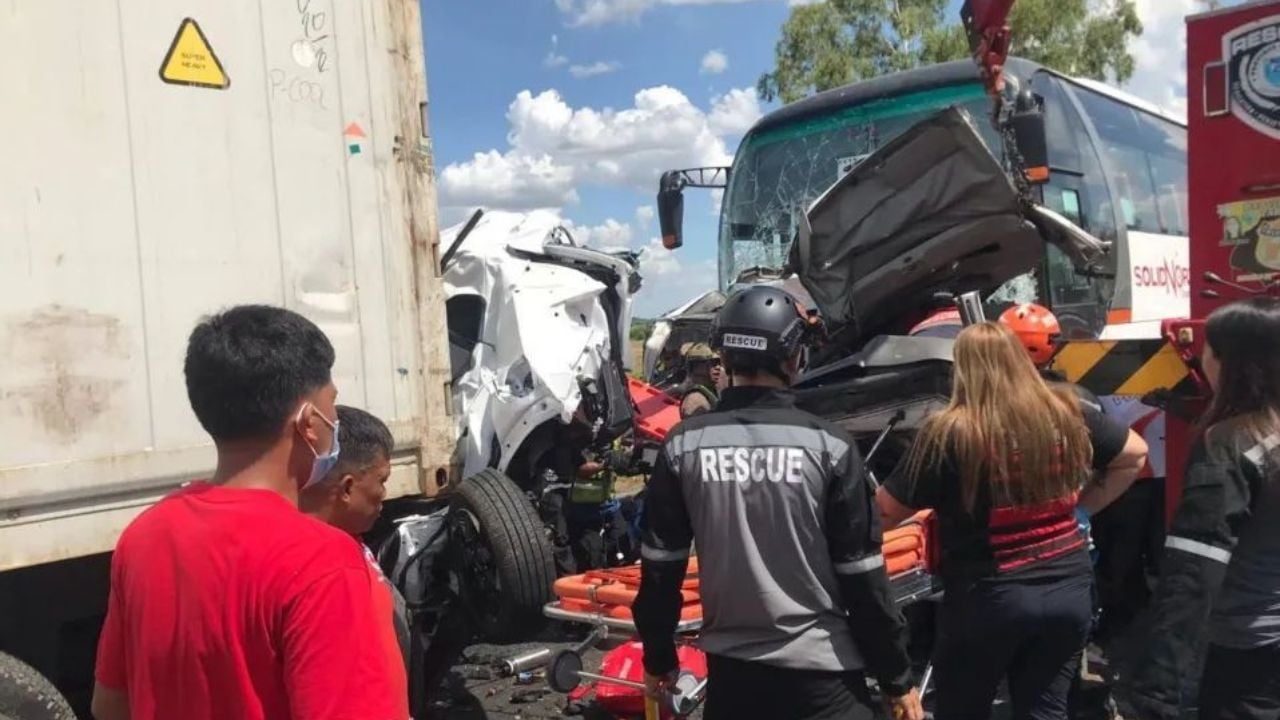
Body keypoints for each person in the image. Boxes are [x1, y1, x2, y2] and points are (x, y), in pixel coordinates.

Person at [91, 305, 399, 720]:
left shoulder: (145, 535)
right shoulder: (323, 561)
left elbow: (110, 705)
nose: (334, 424)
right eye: (333, 407)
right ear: (309, 422)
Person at [633, 286, 924, 720]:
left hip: (733, 685)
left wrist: (658, 659)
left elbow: (660, 570)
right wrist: (896, 679)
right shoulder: (829, 446)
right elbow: (863, 580)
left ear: (724, 359)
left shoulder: (684, 446)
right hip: (824, 681)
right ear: (794, 358)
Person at [877, 321, 1147, 720]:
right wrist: (1082, 508)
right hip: (1069, 591)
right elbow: (1134, 455)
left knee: (962, 709)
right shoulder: (1066, 412)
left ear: (962, 371)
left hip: (988, 598)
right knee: (1045, 709)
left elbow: (883, 512)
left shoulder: (951, 432)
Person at [1120, 297, 1280, 720]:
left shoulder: (1229, 443)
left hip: (1247, 649)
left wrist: (1155, 688)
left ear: (1230, 361)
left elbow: (1194, 569)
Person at [299, 404, 411, 717]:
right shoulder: (320, 571)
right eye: (381, 480)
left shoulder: (351, 541)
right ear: (347, 487)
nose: (384, 494)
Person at [675, 342, 721, 418]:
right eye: (713, 363)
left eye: (719, 363)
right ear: (696, 366)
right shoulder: (695, 399)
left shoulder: (712, 391)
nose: (718, 367)